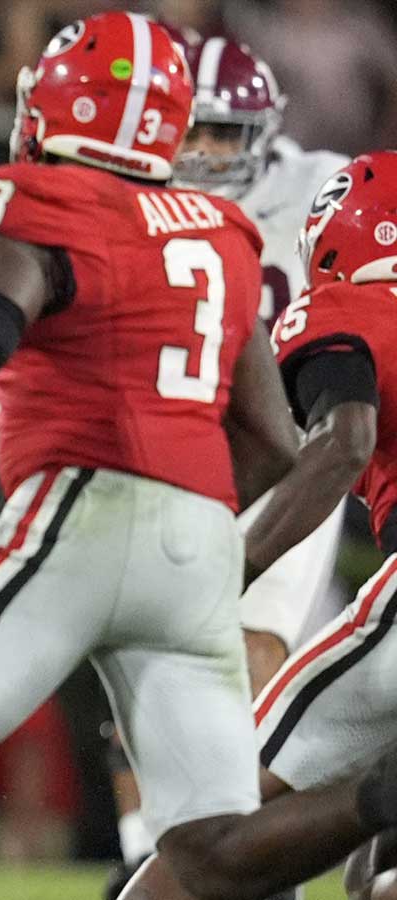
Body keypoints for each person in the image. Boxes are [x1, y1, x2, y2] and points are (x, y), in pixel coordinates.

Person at [0, 12, 397, 900]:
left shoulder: (37, 195)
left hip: (77, 508)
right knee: (211, 850)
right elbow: (276, 442)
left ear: (59, 105)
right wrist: (215, 541)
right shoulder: (220, 228)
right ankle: (377, 798)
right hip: (194, 537)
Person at [103, 33, 353, 891]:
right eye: (194, 133)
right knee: (136, 653)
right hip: (168, 446)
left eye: (225, 134)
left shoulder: (324, 181)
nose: (207, 154)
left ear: (266, 132)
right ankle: (156, 846)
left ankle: (244, 852)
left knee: (248, 648)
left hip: (294, 452)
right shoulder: (119, 187)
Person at [120, 151, 397, 900]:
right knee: (375, 869)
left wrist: (224, 571)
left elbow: (342, 444)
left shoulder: (342, 308)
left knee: (211, 826)